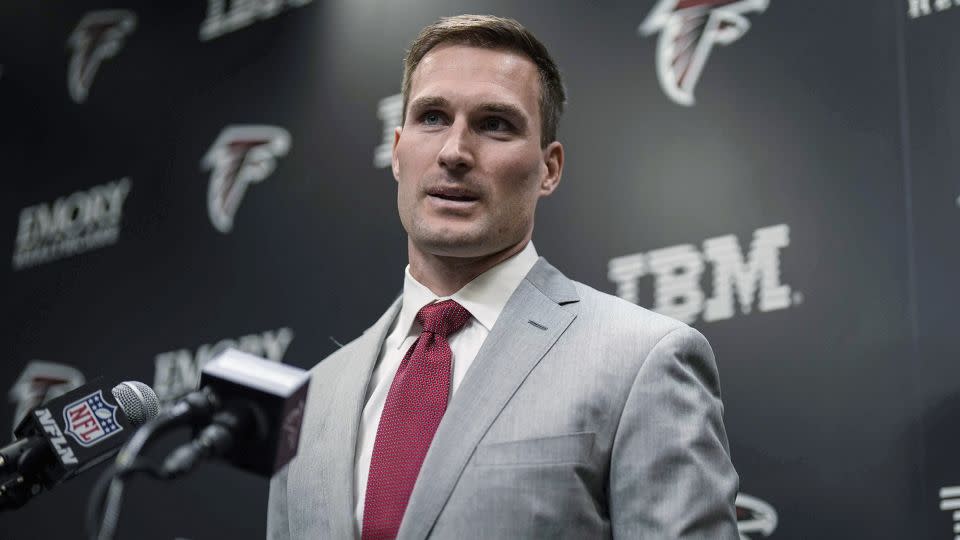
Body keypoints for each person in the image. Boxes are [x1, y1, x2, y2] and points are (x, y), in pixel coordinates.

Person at [268, 14, 738, 539]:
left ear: (549, 168)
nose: (453, 152)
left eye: (495, 123)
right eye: (432, 118)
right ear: (397, 151)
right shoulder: (309, 402)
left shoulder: (642, 360)